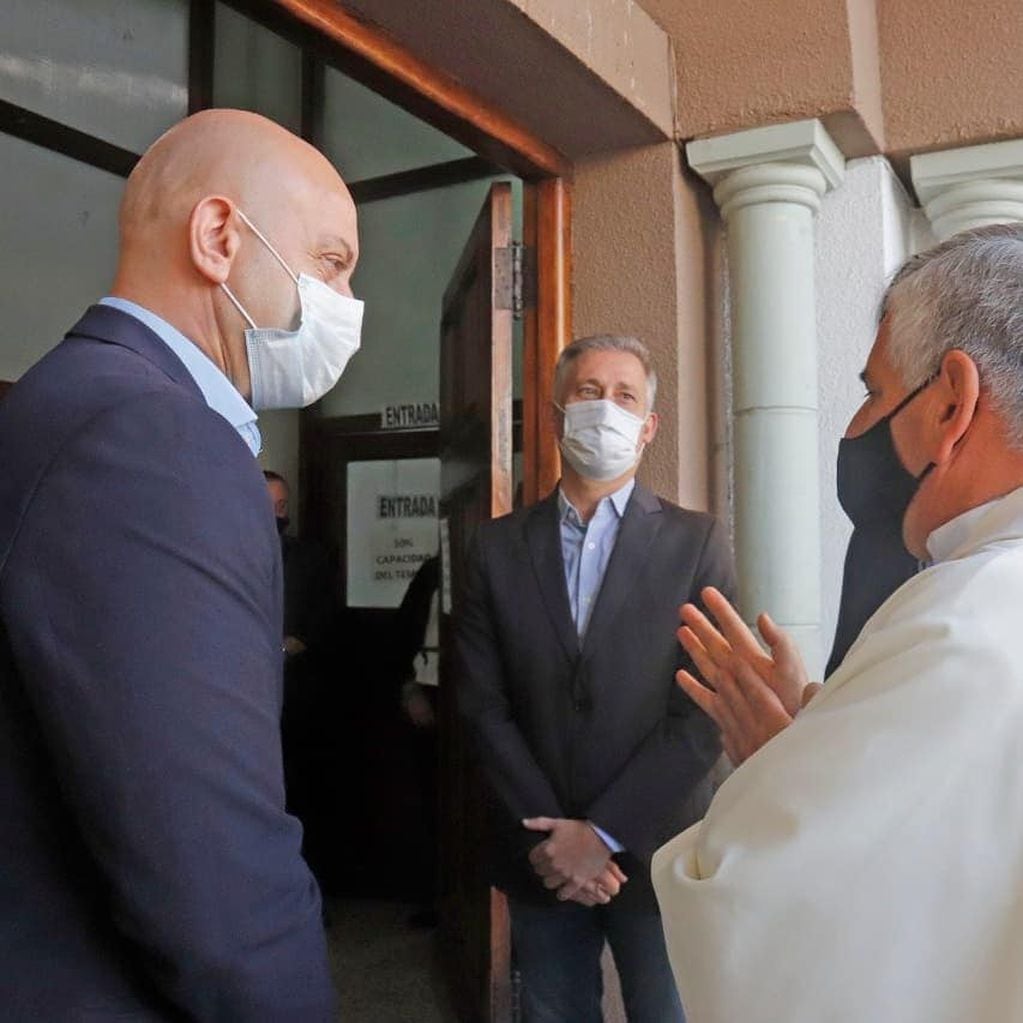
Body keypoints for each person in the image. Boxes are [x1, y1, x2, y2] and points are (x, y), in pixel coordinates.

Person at [0, 108, 362, 1020]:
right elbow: (214, 878)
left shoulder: (72, 398)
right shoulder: (155, 438)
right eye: (331, 262)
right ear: (218, 236)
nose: (348, 305)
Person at [653, 223, 1023, 1023]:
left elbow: (756, 908)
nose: (856, 427)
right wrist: (828, 740)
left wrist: (774, 768)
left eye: (873, 392)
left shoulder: (968, 616)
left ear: (951, 404)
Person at [456, 335, 736, 1022]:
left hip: (658, 842)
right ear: (555, 416)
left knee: (666, 1011)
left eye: (623, 396)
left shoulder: (695, 542)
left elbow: (702, 712)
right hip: (539, 849)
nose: (603, 409)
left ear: (648, 427)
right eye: (585, 392)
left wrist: (602, 832)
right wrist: (558, 841)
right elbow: (481, 705)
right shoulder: (492, 546)